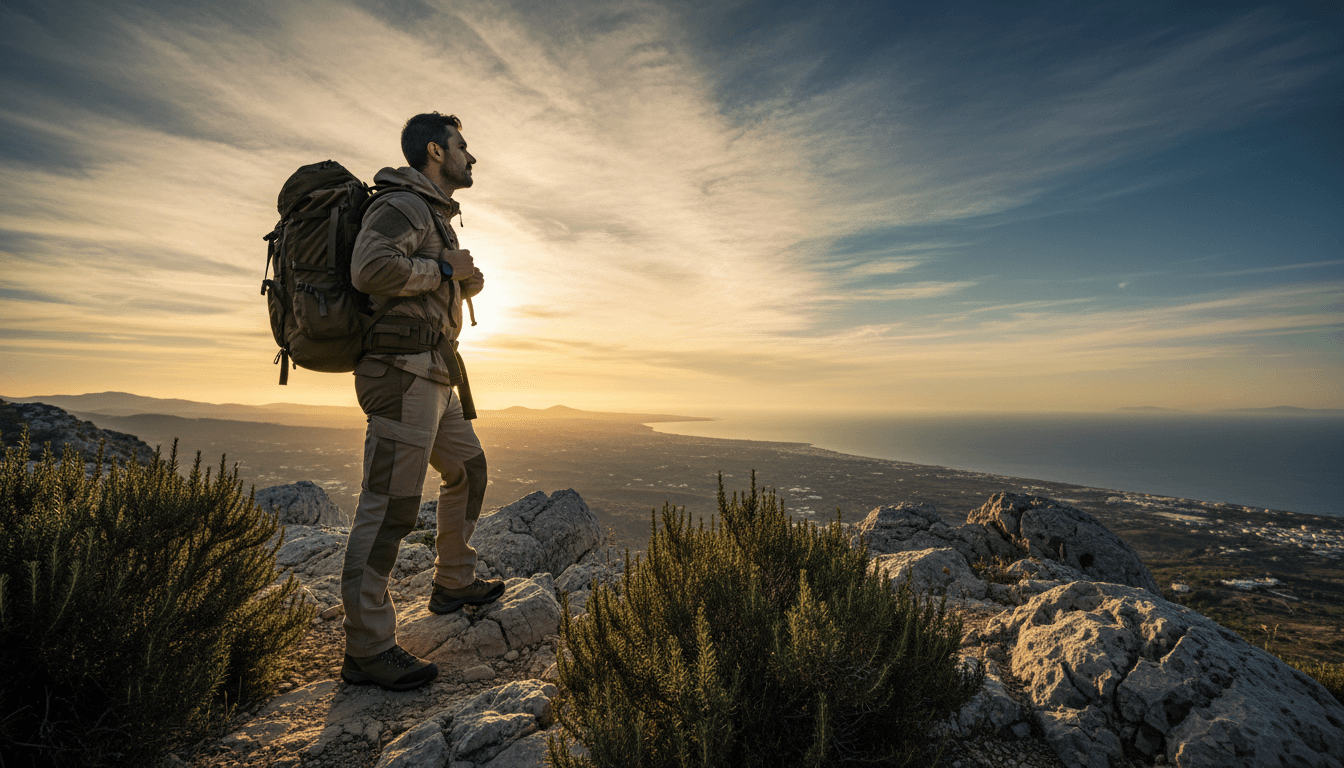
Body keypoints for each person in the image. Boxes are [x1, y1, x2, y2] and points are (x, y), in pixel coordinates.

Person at [339, 112, 503, 691]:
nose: (471, 156)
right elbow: (369, 269)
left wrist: (460, 279)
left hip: (434, 372)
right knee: (390, 508)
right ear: (436, 151)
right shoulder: (403, 204)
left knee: (468, 470)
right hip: (402, 374)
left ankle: (453, 581)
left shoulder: (433, 213)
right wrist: (440, 269)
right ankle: (367, 649)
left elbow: (426, 276)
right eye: (463, 146)